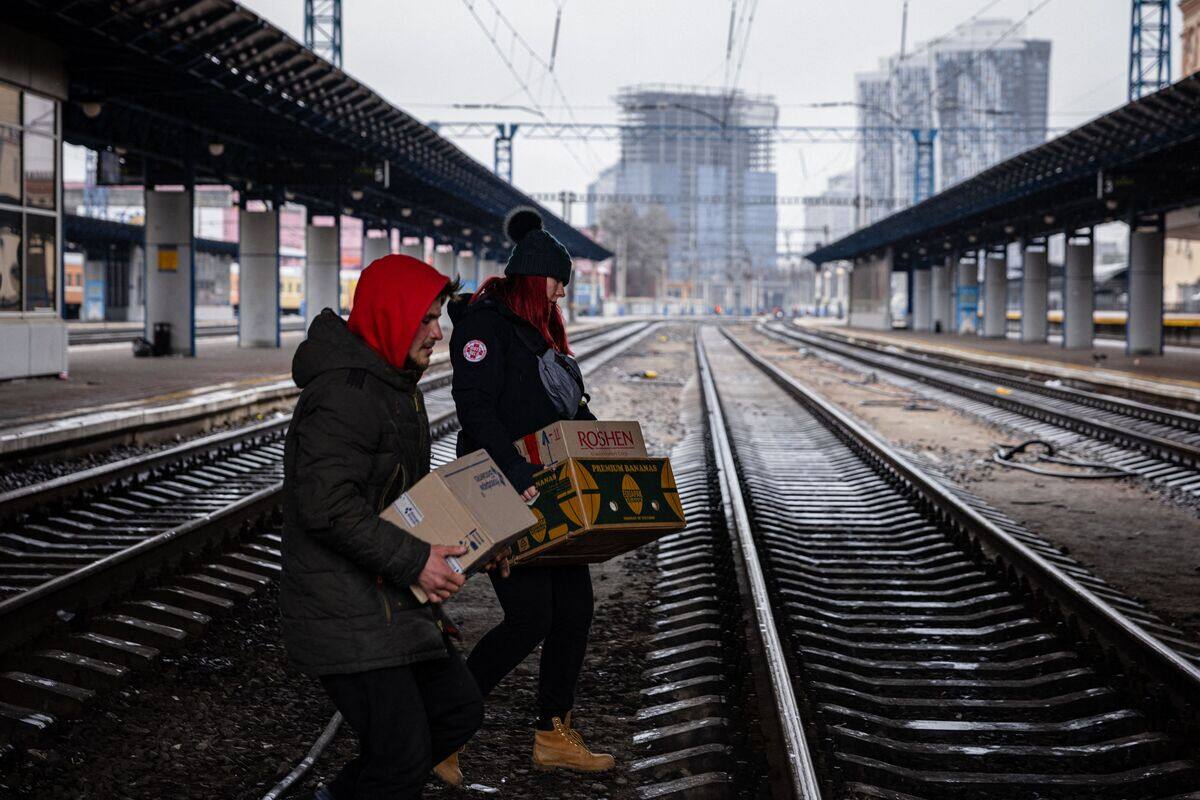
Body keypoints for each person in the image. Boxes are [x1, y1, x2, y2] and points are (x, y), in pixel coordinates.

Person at [280, 254, 483, 800]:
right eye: (427, 318)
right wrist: (417, 561)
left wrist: (477, 540)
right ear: (393, 315)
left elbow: (401, 499)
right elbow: (325, 505)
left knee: (456, 711)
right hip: (345, 605)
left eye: (438, 317)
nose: (439, 333)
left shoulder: (394, 386)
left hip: (387, 598)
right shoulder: (346, 395)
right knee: (401, 755)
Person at [448, 208, 615, 773]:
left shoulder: (538, 332)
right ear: (536, 276)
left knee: (575, 610)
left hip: (548, 493)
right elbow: (475, 412)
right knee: (530, 617)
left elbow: (560, 406)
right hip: (501, 489)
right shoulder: (483, 327)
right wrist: (517, 477)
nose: (562, 295)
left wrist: (599, 440)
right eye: (557, 283)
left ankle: (552, 733)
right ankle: (443, 728)